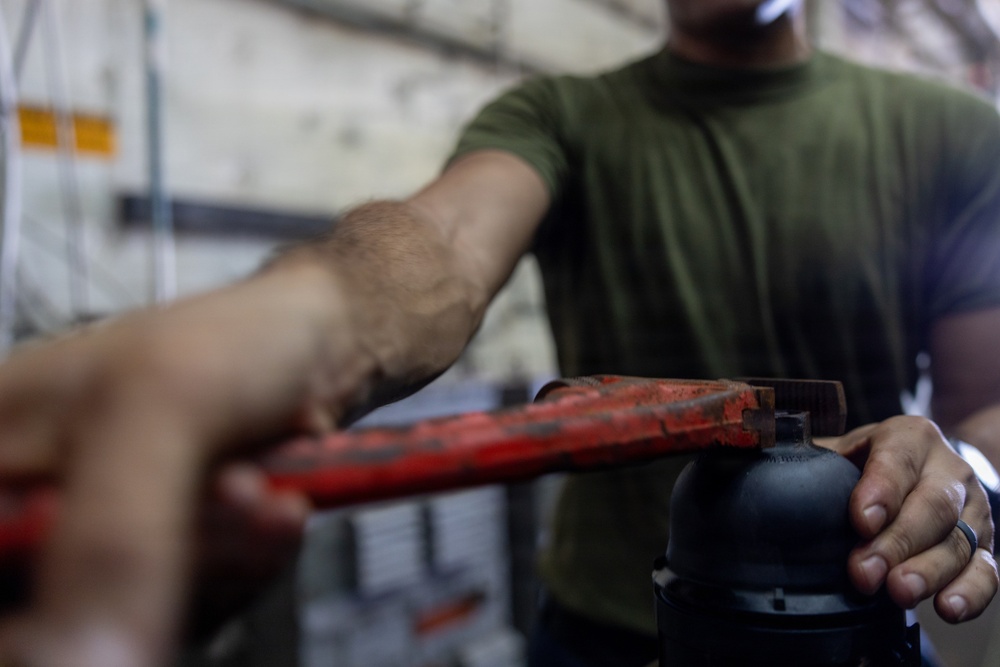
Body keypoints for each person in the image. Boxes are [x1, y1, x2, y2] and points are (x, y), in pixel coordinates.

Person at [0, 0, 997, 665]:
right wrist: (303, 323)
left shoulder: (950, 133)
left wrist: (967, 469)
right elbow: (436, 245)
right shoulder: (563, 114)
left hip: (852, 620)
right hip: (601, 628)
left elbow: (984, 408)